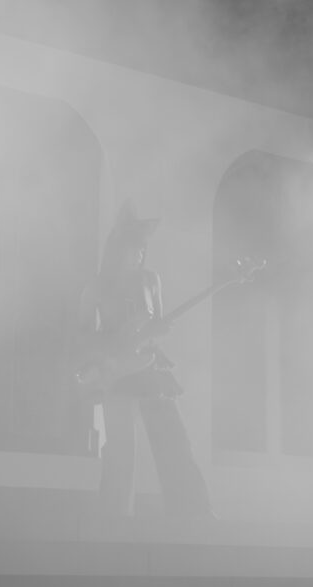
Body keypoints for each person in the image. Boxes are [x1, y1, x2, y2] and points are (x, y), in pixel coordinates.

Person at [75, 201, 214, 519]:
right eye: (132, 248)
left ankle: (195, 511)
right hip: (117, 373)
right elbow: (83, 336)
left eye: (141, 250)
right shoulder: (95, 288)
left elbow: (159, 325)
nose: (138, 255)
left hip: (150, 367)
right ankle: (115, 518)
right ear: (117, 250)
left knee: (175, 442)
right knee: (120, 452)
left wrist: (158, 330)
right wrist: (114, 344)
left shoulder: (151, 280)